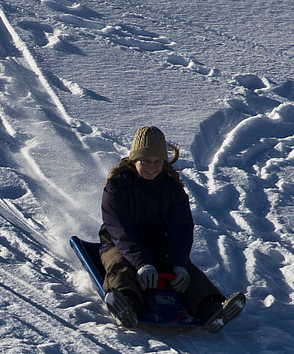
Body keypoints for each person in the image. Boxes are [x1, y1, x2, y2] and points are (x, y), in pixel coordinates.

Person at [98, 126, 242, 330]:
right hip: (117, 245)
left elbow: (181, 229)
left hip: (157, 245)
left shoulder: (172, 188)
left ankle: (211, 308)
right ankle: (126, 303)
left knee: (189, 273)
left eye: (157, 162)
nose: (151, 167)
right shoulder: (117, 187)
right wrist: (141, 264)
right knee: (120, 267)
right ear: (134, 160)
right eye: (145, 161)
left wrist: (179, 264)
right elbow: (120, 232)